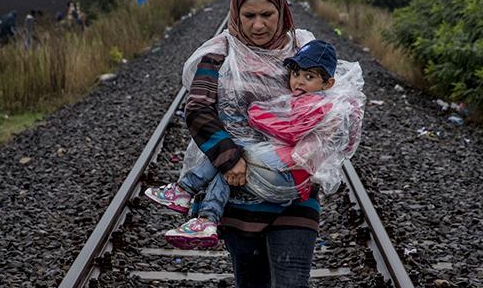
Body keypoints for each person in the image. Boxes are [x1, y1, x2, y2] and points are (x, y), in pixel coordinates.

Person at [170, 0, 355, 288]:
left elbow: (336, 106)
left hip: (295, 194)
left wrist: (324, 144)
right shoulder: (218, 55)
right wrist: (228, 157)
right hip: (238, 195)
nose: (258, 25)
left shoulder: (306, 52)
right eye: (248, 15)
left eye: (267, 14)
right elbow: (197, 109)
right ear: (235, 13)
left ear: (282, 10)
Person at [145, 39, 361, 249]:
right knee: (229, 156)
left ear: (328, 83)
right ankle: (201, 213)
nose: (299, 81)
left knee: (232, 151)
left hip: (291, 170)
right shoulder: (325, 102)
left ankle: (192, 198)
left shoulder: (318, 104)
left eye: (309, 76)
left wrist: (256, 113)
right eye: (295, 74)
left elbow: (290, 129)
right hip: (293, 169)